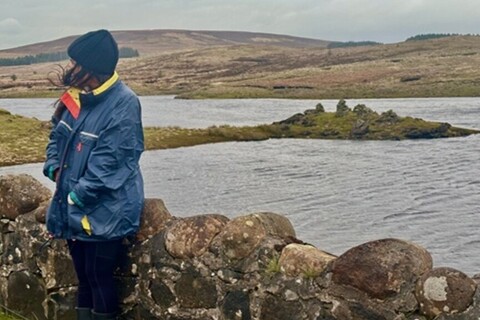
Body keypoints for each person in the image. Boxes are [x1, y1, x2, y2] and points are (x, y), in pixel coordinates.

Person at [43, 29, 144, 320]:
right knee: (84, 277)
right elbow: (56, 137)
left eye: (76, 63)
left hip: (105, 208)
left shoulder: (124, 103)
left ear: (92, 68)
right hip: (74, 205)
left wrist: (73, 196)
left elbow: (111, 164)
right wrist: (53, 168)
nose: (71, 69)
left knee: (99, 278)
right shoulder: (76, 98)